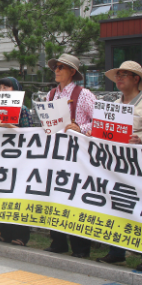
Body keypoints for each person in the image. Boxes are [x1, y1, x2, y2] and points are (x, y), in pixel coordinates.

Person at [43, 53, 96, 258]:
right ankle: (58, 242)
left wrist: (80, 127)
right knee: (55, 194)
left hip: (78, 155)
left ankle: (80, 248)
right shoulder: (51, 95)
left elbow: (99, 121)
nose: (56, 71)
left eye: (61, 67)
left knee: (76, 196)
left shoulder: (84, 94)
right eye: (55, 67)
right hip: (56, 153)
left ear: (72, 72)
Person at [96, 61, 142, 268]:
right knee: (115, 205)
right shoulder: (112, 104)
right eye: (118, 75)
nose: (120, 78)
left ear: (136, 79)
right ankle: (116, 251)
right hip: (115, 165)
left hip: (137, 165)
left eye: (125, 74)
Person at [0, 77, 33, 246]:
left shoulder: (23, 109)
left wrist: (9, 125)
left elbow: (30, 132)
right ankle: (5, 233)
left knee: (18, 195)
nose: (2, 89)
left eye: (6, 86)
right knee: (3, 194)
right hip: (1, 159)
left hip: (20, 159)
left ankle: (21, 235)